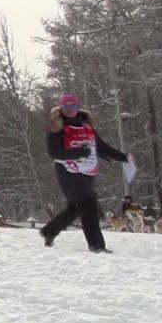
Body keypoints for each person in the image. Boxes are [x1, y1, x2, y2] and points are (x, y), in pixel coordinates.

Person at [39, 94, 131, 253]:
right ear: (62, 109)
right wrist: (78, 152)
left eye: (72, 107)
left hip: (87, 172)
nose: (69, 110)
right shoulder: (56, 127)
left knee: (75, 208)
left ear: (77, 107)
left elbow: (101, 147)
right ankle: (96, 245)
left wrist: (123, 157)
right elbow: (54, 153)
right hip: (67, 172)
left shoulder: (86, 125)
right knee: (89, 204)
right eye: (66, 107)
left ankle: (50, 230)